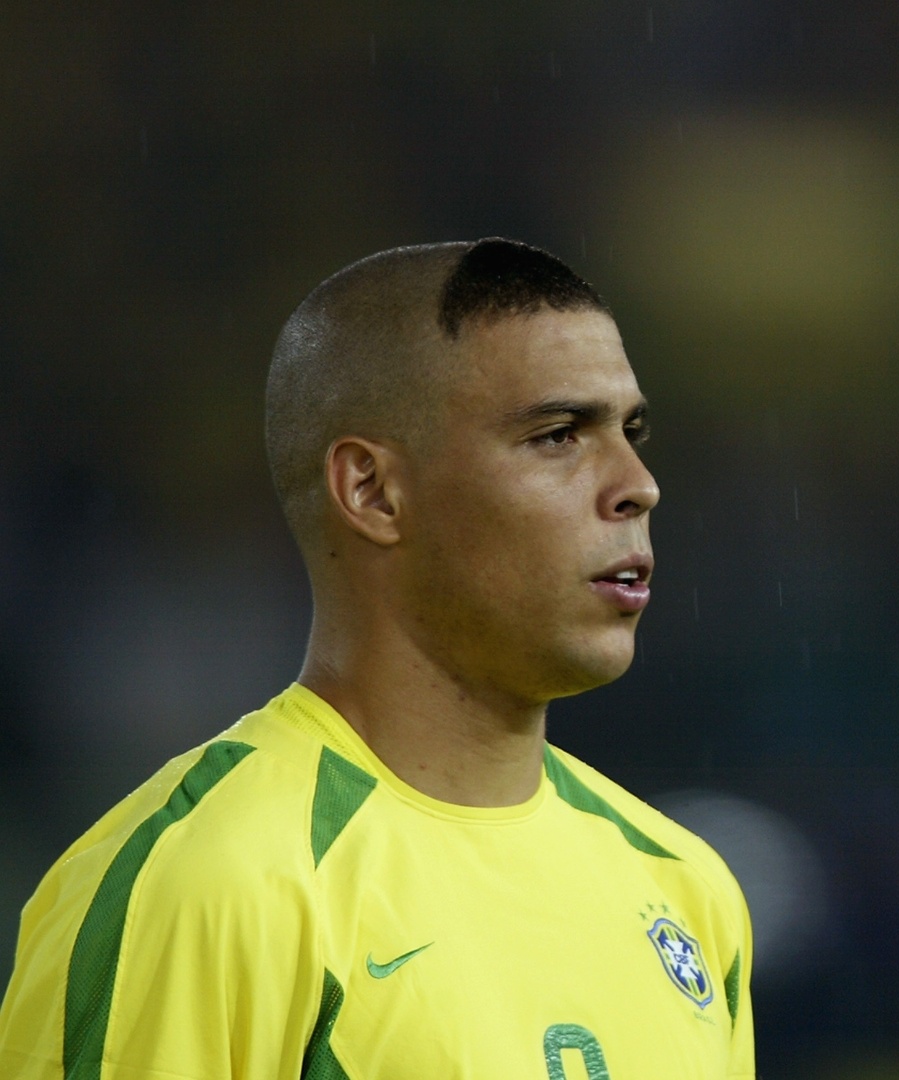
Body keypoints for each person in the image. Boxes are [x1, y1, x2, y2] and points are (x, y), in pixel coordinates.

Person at [0, 239, 753, 1080]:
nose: (637, 483)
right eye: (557, 435)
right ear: (372, 491)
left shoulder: (687, 889)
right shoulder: (206, 885)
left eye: (632, 431)